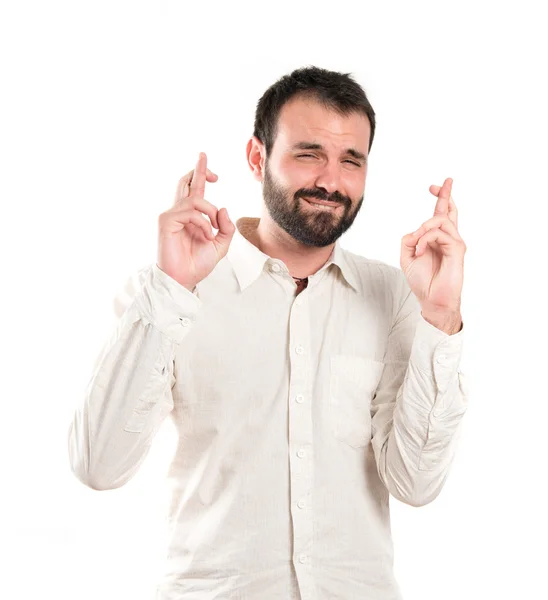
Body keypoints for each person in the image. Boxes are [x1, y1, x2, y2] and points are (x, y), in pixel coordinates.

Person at [68, 65, 469, 600]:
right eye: (309, 154)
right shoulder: (174, 291)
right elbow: (98, 465)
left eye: (352, 160)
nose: (331, 180)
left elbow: (416, 484)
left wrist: (440, 314)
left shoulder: (396, 296)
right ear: (257, 157)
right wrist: (171, 290)